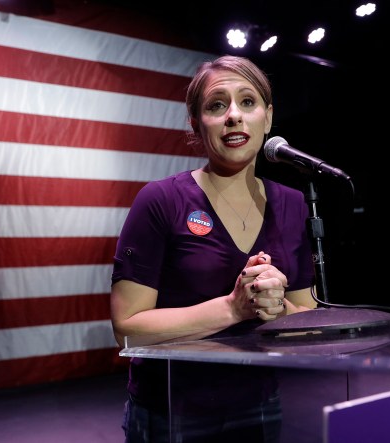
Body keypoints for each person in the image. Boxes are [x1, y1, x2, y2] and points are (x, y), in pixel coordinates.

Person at [110, 55, 318, 442]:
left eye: (248, 101)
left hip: (260, 403)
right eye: (217, 105)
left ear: (268, 118)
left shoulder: (293, 203)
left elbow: (308, 318)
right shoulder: (160, 200)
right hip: (172, 409)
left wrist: (277, 307)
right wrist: (233, 307)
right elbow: (127, 329)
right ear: (196, 124)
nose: (234, 116)